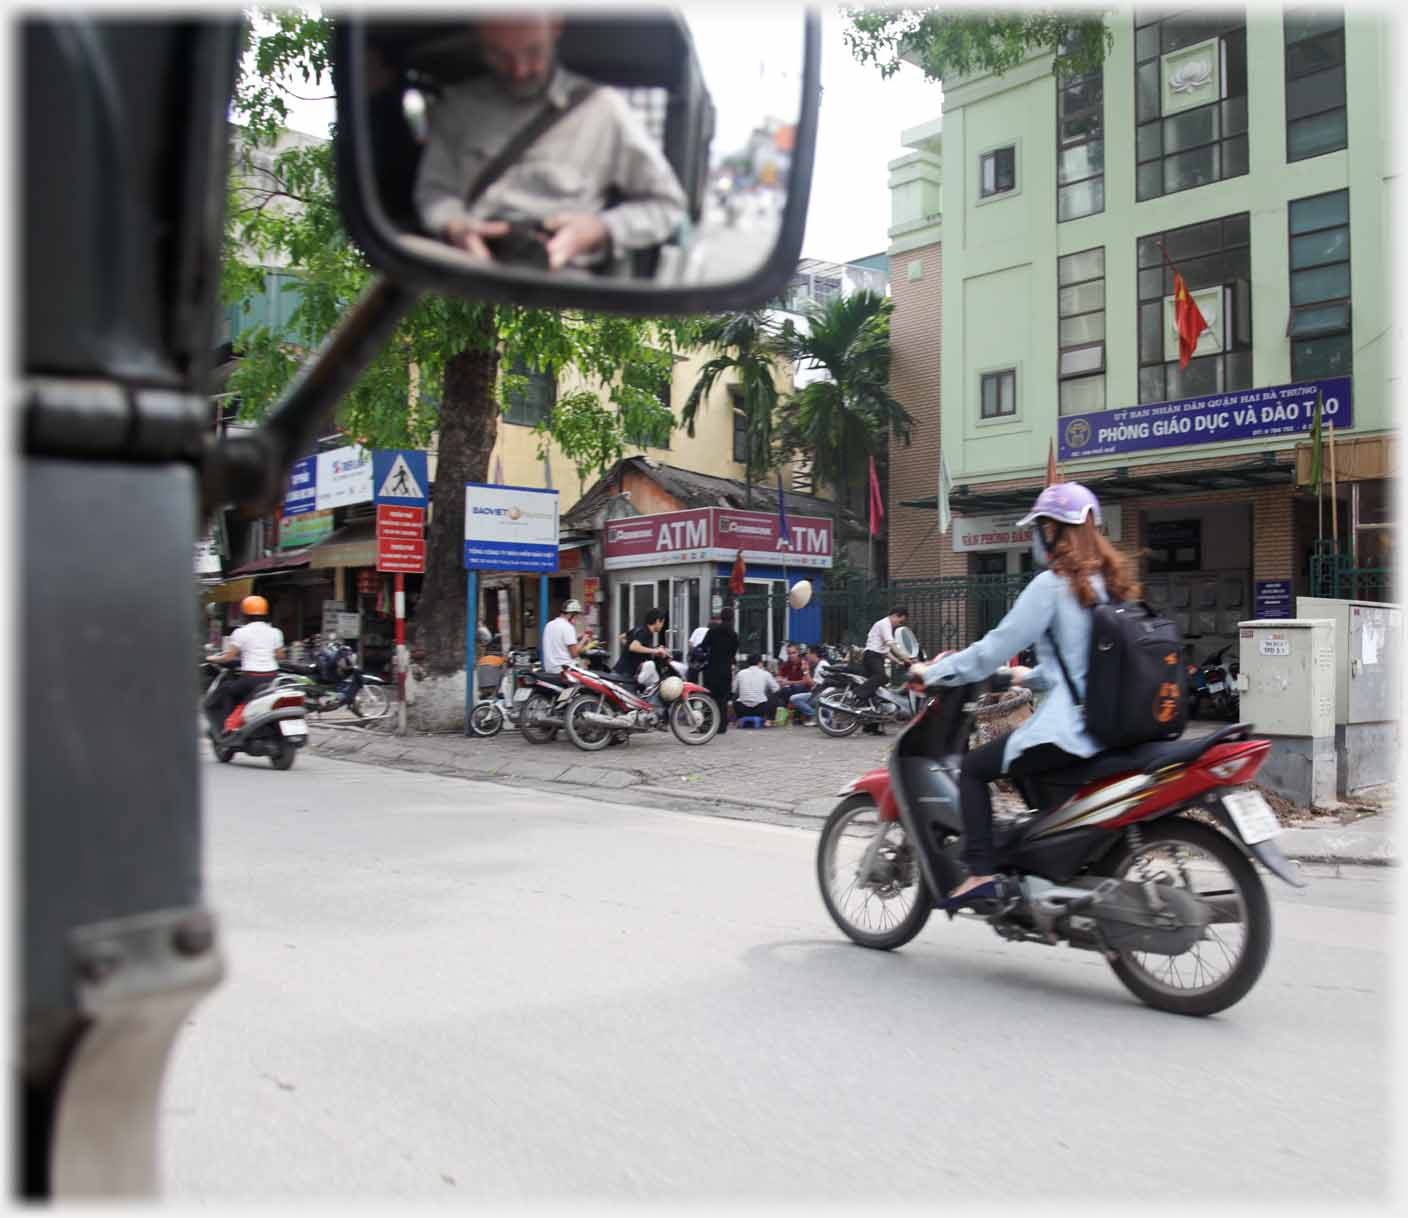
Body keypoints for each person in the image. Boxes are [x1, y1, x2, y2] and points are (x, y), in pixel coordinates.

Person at [910, 483, 1138, 910]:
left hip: (1072, 728)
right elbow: (1079, 665)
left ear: (1052, 530)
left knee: (976, 769)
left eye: (1038, 527)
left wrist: (932, 672)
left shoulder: (1052, 585)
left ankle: (981, 874)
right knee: (1024, 767)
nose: (1035, 536)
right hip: (1114, 723)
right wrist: (1026, 678)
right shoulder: (1108, 584)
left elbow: (991, 649)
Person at [413, 13, 688, 272]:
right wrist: (456, 225)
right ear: (478, 34)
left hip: (564, 280)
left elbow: (668, 205)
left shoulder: (604, 109)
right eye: (499, 54)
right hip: (464, 270)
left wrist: (600, 229)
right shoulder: (456, 109)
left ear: (556, 26)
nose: (519, 70)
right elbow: (433, 192)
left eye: (533, 52)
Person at [207, 596, 286, 737]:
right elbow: (280, 656)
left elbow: (228, 657)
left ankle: (227, 727)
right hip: (272, 677)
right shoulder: (275, 632)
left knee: (225, 690)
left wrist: (212, 658)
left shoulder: (240, 632)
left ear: (245, 614)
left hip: (251, 678)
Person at [857, 607, 910, 734]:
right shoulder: (884, 624)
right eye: (900, 621)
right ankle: (857, 693)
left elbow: (885, 651)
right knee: (882, 677)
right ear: (896, 615)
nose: (899, 624)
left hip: (876, 656)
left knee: (877, 693)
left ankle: (870, 727)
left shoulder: (886, 626)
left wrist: (899, 662)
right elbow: (891, 644)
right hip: (871, 656)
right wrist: (905, 657)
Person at [699, 608, 739, 734]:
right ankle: (721, 726)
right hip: (725, 670)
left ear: (721, 617)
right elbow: (733, 653)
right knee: (723, 699)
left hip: (711, 668)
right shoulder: (734, 635)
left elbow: (703, 646)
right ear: (733, 618)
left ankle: (707, 724)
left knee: (709, 697)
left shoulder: (713, 631)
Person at [615, 608, 670, 688]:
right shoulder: (645, 632)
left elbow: (621, 637)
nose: (662, 626)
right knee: (650, 667)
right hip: (627, 673)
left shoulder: (639, 628)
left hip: (621, 669)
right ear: (657, 621)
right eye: (662, 623)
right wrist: (655, 650)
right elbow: (633, 647)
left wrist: (629, 650)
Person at [541, 598, 593, 676]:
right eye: (576, 615)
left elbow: (559, 641)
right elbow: (574, 654)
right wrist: (584, 639)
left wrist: (576, 637)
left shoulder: (549, 625)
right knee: (588, 668)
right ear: (571, 614)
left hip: (550, 668)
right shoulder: (568, 627)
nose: (577, 618)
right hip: (565, 670)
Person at [787, 644, 829, 725]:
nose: (807, 656)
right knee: (794, 697)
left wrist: (806, 671)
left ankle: (817, 717)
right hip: (818, 693)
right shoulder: (815, 665)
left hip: (824, 695)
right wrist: (806, 669)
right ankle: (818, 717)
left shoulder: (822, 665)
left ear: (814, 654)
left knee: (796, 699)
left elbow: (813, 684)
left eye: (808, 654)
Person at [732, 653, 779, 724]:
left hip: (742, 709)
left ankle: (739, 719)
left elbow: (733, 690)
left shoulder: (740, 673)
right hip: (761, 710)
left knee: (735, 695)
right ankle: (768, 720)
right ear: (760, 662)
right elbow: (776, 688)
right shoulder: (765, 674)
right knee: (774, 695)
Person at [775, 643, 810, 720]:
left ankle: (798, 713)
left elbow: (805, 682)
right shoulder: (787, 664)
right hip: (791, 689)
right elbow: (780, 676)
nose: (791, 655)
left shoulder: (804, 663)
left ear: (798, 653)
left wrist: (788, 682)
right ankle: (783, 715)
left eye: (794, 653)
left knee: (796, 687)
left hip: (804, 690)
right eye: (789, 653)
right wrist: (779, 679)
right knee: (780, 691)